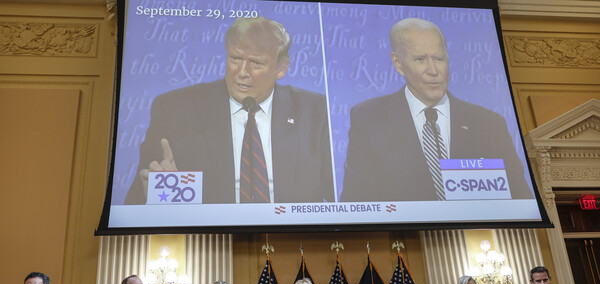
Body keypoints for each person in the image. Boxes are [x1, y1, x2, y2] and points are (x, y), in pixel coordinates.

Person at [126, 16, 334, 205]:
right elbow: (137, 202)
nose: (242, 73)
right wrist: (167, 194)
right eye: (235, 59)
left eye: (256, 63)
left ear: (281, 68)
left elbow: (338, 199)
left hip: (289, 239)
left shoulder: (313, 111)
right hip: (209, 239)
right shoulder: (176, 110)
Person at [341, 18, 533, 202]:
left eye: (439, 58)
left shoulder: (489, 123)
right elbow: (356, 200)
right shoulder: (369, 119)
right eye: (420, 59)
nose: (433, 70)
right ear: (398, 63)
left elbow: (520, 197)